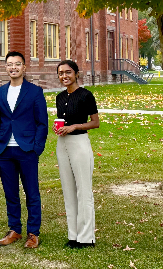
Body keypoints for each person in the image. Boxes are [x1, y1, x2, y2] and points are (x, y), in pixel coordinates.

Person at [0, 51, 48, 249]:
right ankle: (14, 229)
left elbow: (42, 123)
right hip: (4, 151)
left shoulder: (35, 92)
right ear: (6, 67)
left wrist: (36, 148)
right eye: (9, 64)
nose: (13, 67)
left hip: (27, 150)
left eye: (17, 64)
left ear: (24, 67)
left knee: (32, 193)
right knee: (10, 193)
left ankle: (33, 233)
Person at [54, 60, 100, 249]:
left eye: (68, 72)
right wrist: (60, 128)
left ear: (76, 74)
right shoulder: (59, 97)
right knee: (68, 191)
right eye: (60, 73)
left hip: (79, 143)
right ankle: (73, 235)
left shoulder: (86, 95)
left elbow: (95, 122)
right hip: (62, 144)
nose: (64, 76)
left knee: (83, 190)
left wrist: (74, 126)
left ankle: (86, 237)